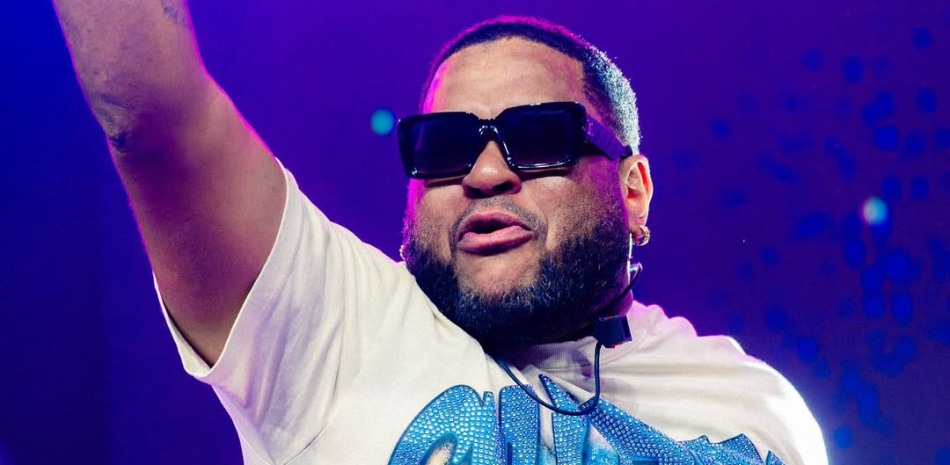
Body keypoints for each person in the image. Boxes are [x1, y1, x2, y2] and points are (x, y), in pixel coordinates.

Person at [53, 1, 827, 463]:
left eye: (537, 136)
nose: (484, 173)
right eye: (446, 147)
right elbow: (154, 115)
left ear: (633, 190)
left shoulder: (755, 410)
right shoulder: (337, 331)